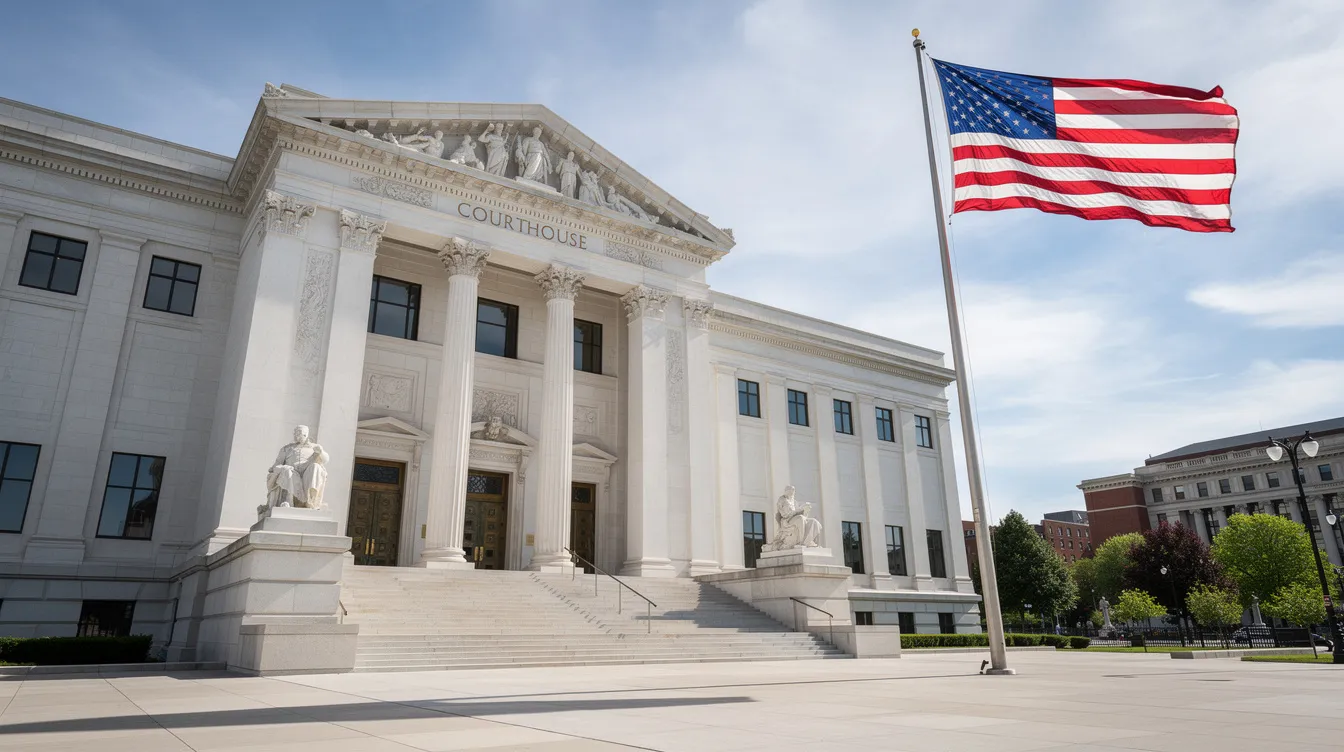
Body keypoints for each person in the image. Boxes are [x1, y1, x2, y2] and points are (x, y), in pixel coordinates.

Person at [266, 425, 330, 509]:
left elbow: (325, 460)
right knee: (287, 471)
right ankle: (288, 501)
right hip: (292, 472)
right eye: (295, 434)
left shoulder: (314, 447)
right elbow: (276, 465)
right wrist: (280, 468)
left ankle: (311, 501)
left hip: (307, 473)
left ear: (306, 435)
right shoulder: (287, 448)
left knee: (316, 467)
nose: (297, 436)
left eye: (299, 434)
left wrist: (321, 452)